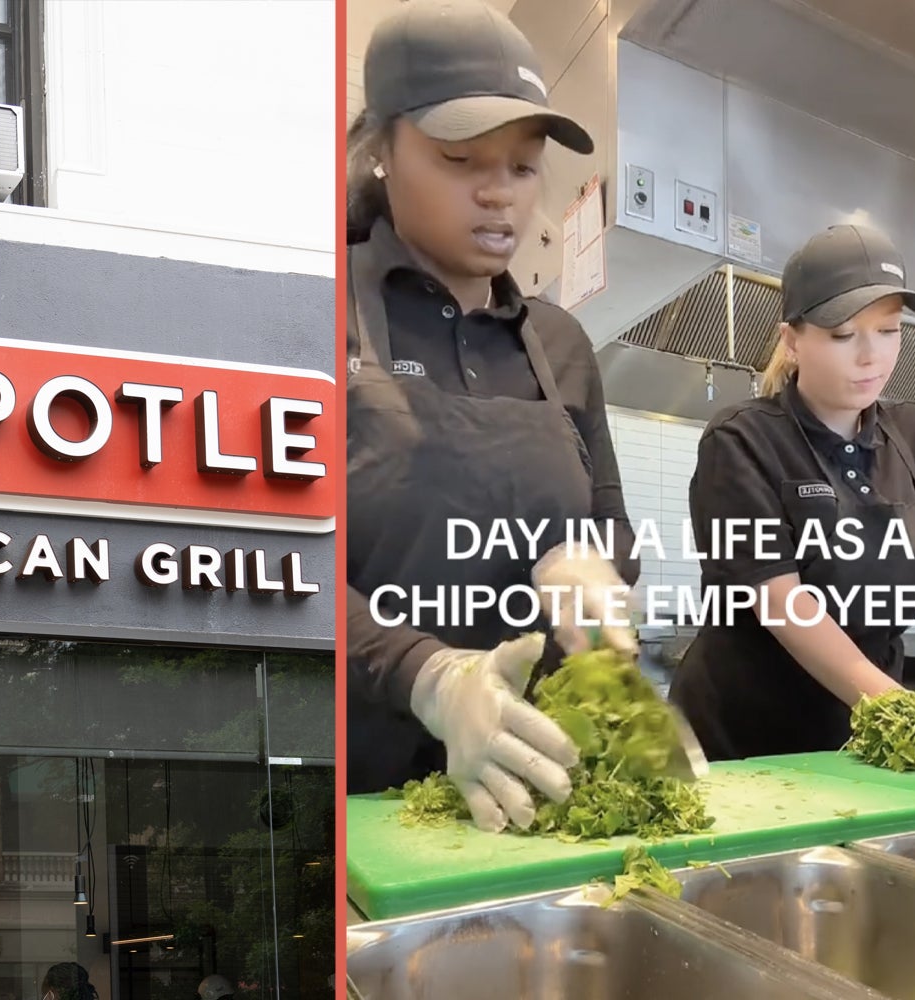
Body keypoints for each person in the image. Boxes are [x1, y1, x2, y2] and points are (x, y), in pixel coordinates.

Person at [345, 0, 640, 832]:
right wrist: (429, 676)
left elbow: (612, 523)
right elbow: (283, 574)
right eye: (459, 159)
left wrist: (591, 565)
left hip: (537, 792)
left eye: (521, 166)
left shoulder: (561, 343)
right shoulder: (316, 315)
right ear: (381, 154)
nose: (499, 195)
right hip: (361, 808)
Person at [668, 223, 915, 758]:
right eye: (844, 335)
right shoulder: (742, 440)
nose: (871, 356)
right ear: (792, 340)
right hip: (743, 744)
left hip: (864, 742)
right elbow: (783, 604)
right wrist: (908, 711)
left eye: (890, 330)